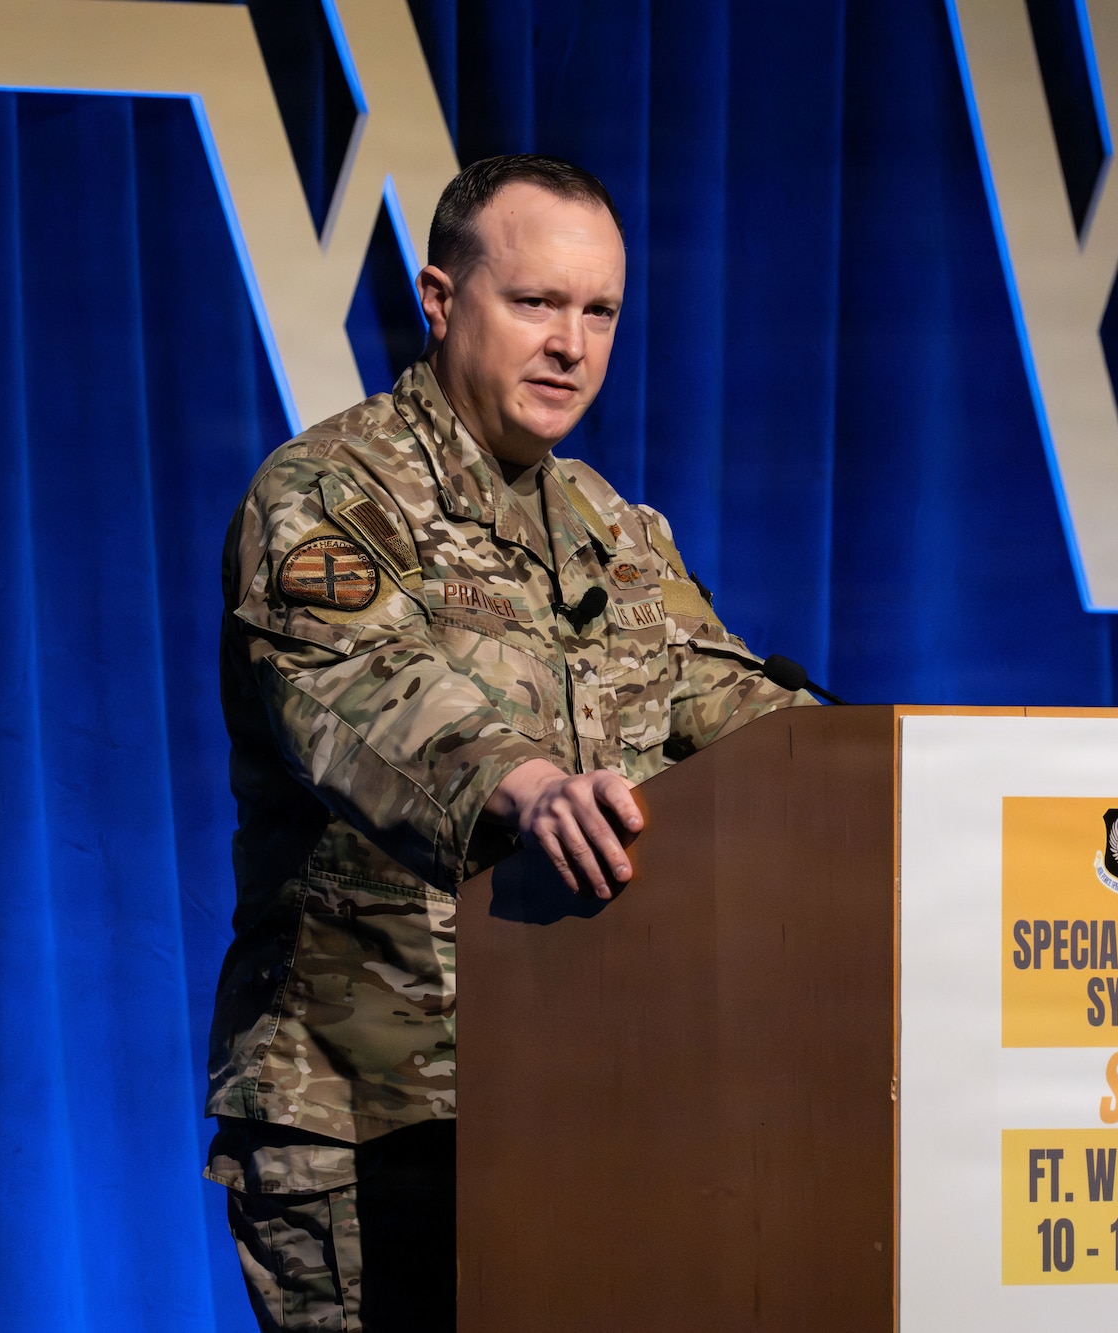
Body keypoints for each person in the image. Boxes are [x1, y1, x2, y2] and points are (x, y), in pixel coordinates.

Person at [202, 154, 807, 1332]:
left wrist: (897, 776)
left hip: (583, 1100)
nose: (570, 345)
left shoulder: (610, 526)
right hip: (372, 1112)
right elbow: (359, 691)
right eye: (534, 303)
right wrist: (526, 789)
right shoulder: (326, 496)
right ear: (439, 300)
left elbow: (731, 703)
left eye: (598, 312)